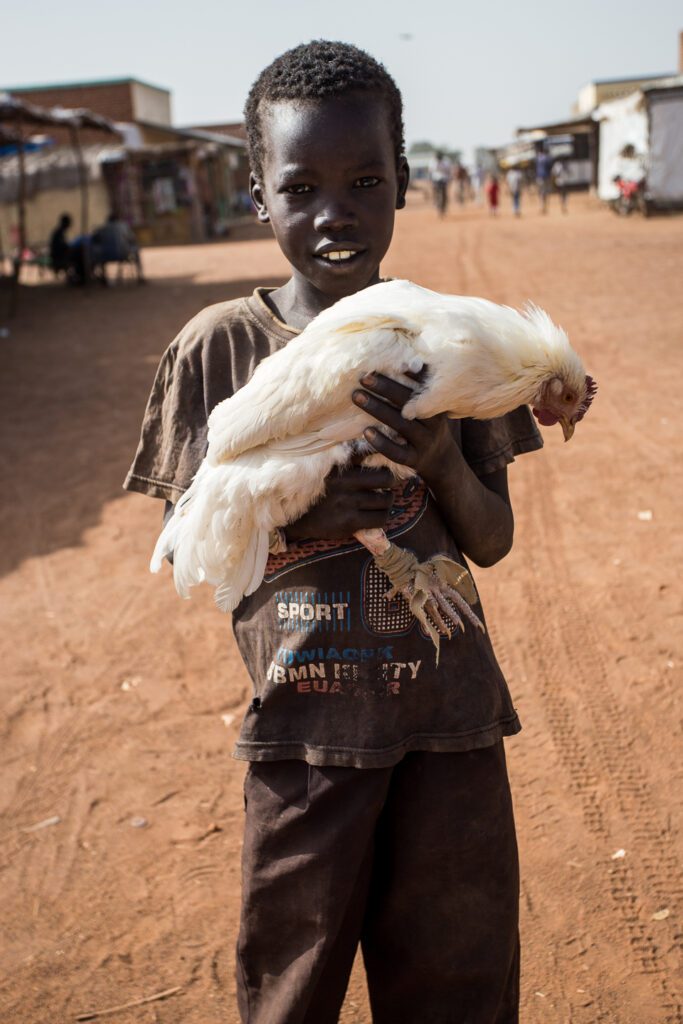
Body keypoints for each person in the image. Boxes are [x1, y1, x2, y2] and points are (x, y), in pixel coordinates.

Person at [124, 40, 543, 1023]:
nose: (334, 213)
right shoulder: (218, 346)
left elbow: (490, 540)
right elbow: (192, 547)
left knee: (458, 989)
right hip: (301, 735)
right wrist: (292, 514)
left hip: (451, 727)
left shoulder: (451, 336)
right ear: (259, 196)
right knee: (288, 990)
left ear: (403, 182)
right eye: (300, 186)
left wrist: (439, 461)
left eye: (364, 182)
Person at [429, 149, 452, 216]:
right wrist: (430, 180)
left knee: (444, 194)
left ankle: (443, 207)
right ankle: (435, 203)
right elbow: (430, 171)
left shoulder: (446, 161)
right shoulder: (432, 161)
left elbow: (449, 171)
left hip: (444, 180)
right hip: (435, 179)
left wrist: (449, 179)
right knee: (435, 192)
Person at [535, 149, 552, 214]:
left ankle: (542, 206)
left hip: (539, 177)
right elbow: (550, 167)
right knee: (546, 192)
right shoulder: (547, 158)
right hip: (546, 176)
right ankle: (545, 206)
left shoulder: (537, 158)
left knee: (541, 192)